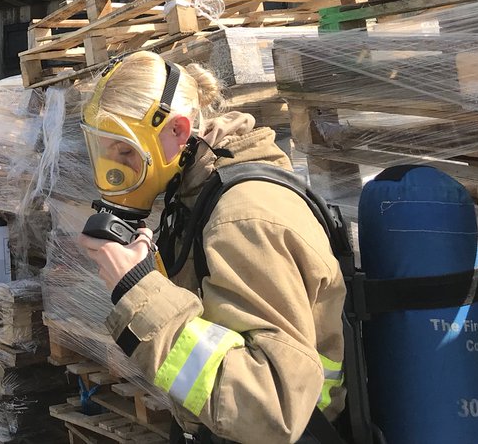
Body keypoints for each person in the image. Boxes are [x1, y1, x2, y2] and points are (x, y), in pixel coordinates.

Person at [76, 52, 347, 444]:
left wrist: (140, 292)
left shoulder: (243, 217)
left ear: (176, 132)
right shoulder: (195, 194)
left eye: (126, 152)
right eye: (104, 153)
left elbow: (272, 409)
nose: (114, 172)